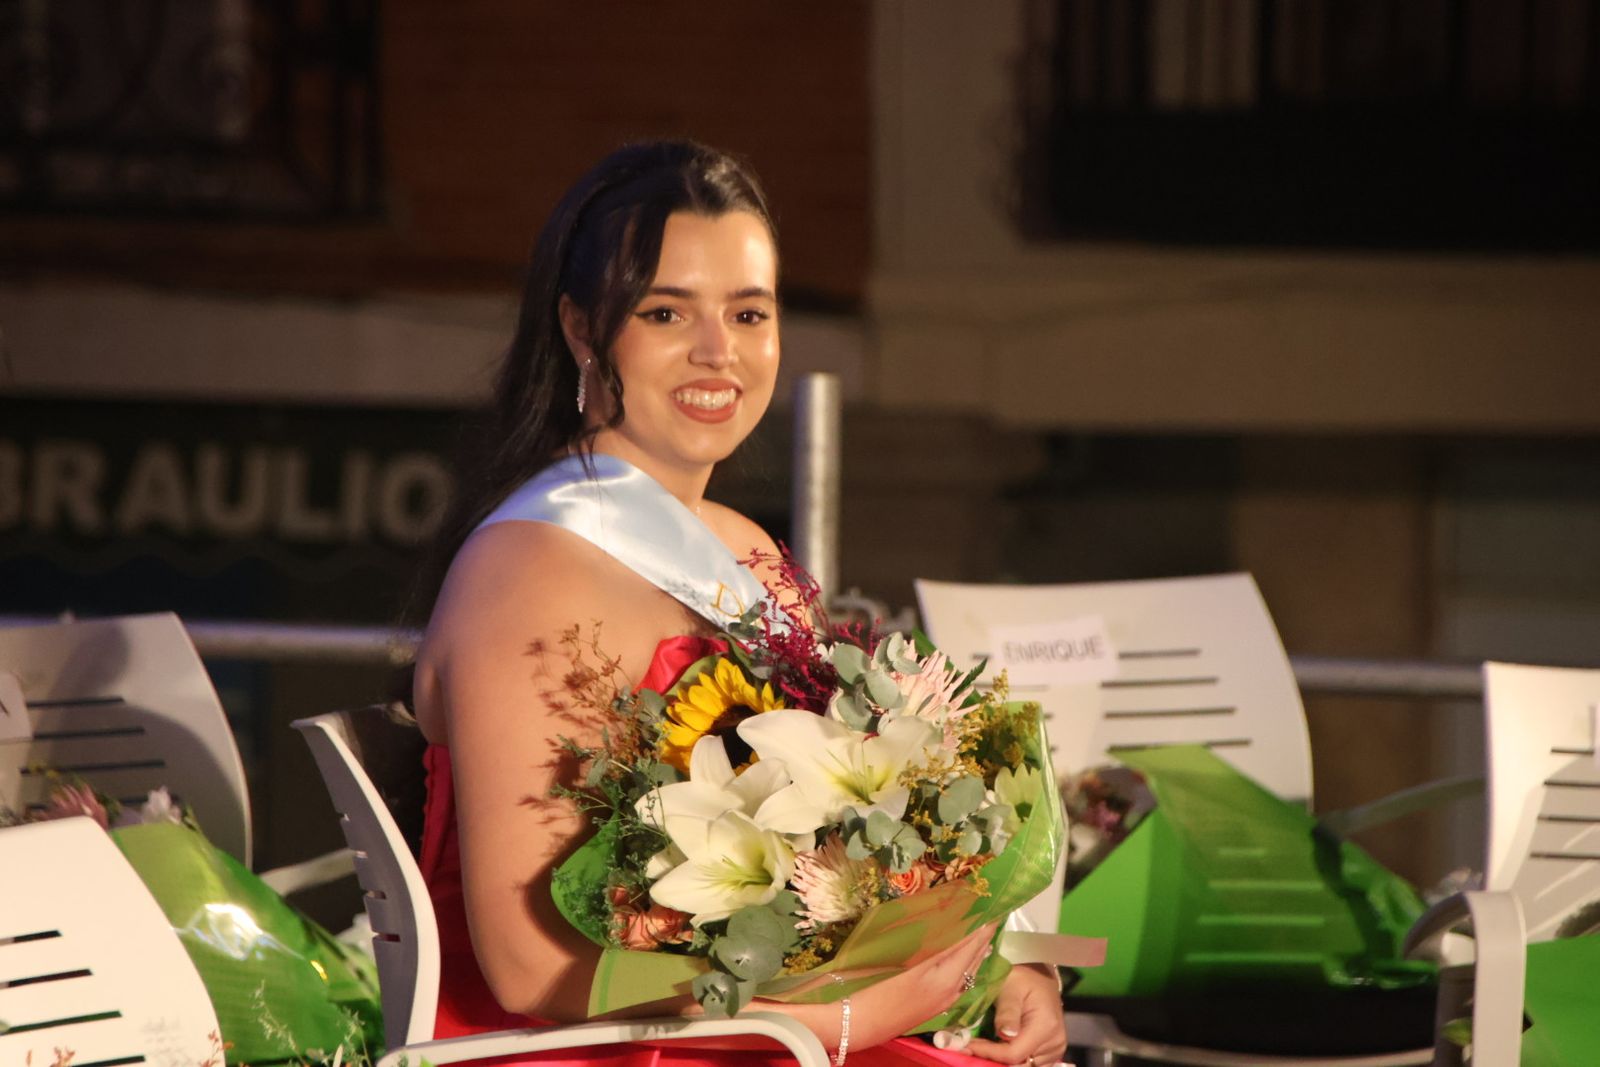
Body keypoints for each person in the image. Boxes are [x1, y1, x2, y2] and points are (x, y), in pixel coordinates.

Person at [411, 140, 1068, 1067]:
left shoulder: (746, 548)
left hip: (749, 1025)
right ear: (582, 329)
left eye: (748, 312)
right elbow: (530, 969)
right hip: (592, 1047)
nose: (719, 351)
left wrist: (988, 969)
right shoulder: (528, 572)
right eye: (666, 312)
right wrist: (847, 1019)